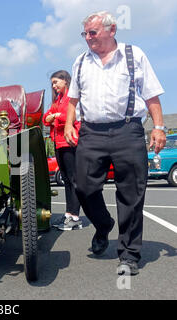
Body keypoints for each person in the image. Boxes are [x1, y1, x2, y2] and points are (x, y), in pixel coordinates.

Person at [64, 11, 166, 275]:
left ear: (112, 30)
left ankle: (129, 254)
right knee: (83, 187)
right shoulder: (80, 62)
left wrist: (158, 128)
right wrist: (67, 124)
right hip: (91, 133)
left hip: (127, 131)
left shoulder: (134, 56)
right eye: (85, 34)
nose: (88, 38)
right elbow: (73, 99)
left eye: (93, 32)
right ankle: (103, 224)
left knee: (131, 194)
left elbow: (152, 95)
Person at [43, 70, 82, 231]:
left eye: (56, 82)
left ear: (65, 81)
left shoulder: (71, 98)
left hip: (70, 142)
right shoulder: (57, 100)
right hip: (58, 143)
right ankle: (68, 213)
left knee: (74, 180)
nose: (54, 86)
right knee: (66, 180)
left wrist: (56, 117)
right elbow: (46, 119)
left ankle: (75, 217)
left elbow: (69, 116)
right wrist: (55, 116)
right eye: (52, 83)